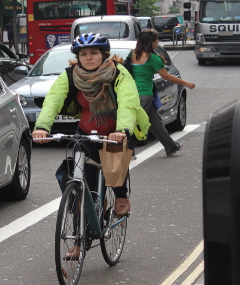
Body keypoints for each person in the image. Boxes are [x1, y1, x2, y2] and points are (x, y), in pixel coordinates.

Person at [33, 33, 151, 251]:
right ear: (77, 57)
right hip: (86, 130)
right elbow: (53, 100)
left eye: (94, 53)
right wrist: (42, 127)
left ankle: (120, 196)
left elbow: (128, 103)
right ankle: (79, 240)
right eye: (83, 54)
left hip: (117, 131)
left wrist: (122, 129)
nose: (88, 58)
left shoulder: (118, 73)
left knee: (114, 169)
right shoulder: (71, 75)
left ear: (103, 54)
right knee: (78, 182)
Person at [130, 29, 195, 156]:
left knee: (155, 122)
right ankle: (127, 151)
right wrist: (186, 83)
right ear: (151, 42)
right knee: (134, 123)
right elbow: (167, 77)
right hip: (144, 95)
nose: (158, 42)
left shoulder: (132, 55)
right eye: (156, 40)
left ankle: (170, 146)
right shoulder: (153, 58)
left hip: (131, 95)